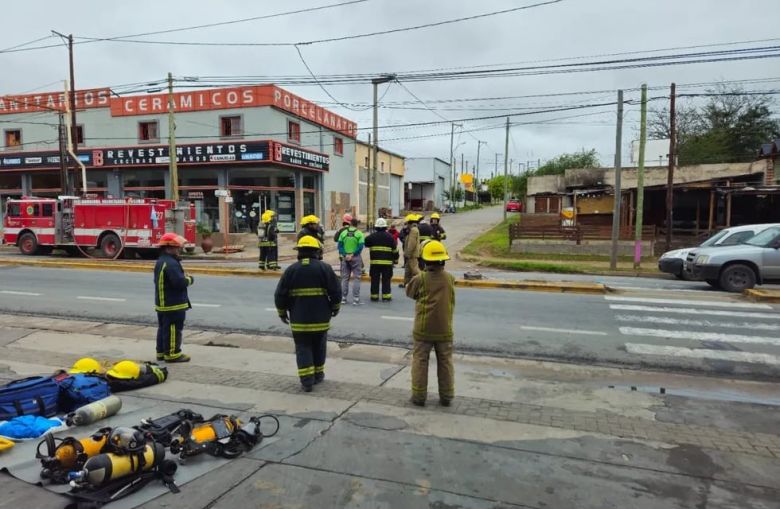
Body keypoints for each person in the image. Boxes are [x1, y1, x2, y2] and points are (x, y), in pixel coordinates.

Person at [275, 236, 342, 392]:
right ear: (316, 251)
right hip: (321, 319)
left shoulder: (291, 270)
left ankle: (307, 381)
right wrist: (335, 307)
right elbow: (336, 291)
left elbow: (280, 295)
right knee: (319, 346)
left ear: (299, 252)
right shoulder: (325, 268)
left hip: (299, 320)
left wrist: (282, 313)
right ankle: (318, 375)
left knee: (303, 347)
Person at [405, 240, 455, 407]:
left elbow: (410, 293)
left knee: (420, 361)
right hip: (444, 329)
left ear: (424, 260)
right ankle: (446, 396)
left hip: (423, 329)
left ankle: (419, 397)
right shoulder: (449, 279)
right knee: (445, 362)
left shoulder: (421, 278)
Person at [153, 233, 194, 363]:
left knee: (163, 328)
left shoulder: (161, 261)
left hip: (163, 303)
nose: (179, 250)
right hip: (173, 304)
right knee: (173, 329)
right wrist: (189, 279)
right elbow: (179, 283)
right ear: (169, 248)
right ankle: (172, 354)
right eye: (177, 248)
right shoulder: (171, 263)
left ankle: (161, 352)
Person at [364, 218, 399, 302]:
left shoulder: (371, 237)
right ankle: (386, 297)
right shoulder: (390, 237)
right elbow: (395, 250)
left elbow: (366, 243)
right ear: (385, 227)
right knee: (386, 280)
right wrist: (396, 259)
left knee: (374, 280)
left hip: (375, 263)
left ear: (376, 227)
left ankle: (374, 296)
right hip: (387, 264)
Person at [338, 217, 366, 305]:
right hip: (355, 257)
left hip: (345, 257)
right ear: (357, 224)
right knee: (357, 278)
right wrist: (353, 254)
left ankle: (343, 298)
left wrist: (345, 254)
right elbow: (361, 246)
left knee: (345, 278)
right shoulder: (359, 234)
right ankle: (356, 299)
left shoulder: (343, 233)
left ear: (350, 224)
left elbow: (339, 246)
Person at [401, 214, 421, 288]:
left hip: (412, 255)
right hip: (409, 254)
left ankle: (423, 282)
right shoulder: (412, 230)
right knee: (408, 270)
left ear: (410, 222)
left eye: (407, 223)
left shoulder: (413, 230)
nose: (406, 225)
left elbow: (411, 244)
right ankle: (406, 284)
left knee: (415, 270)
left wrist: (408, 254)